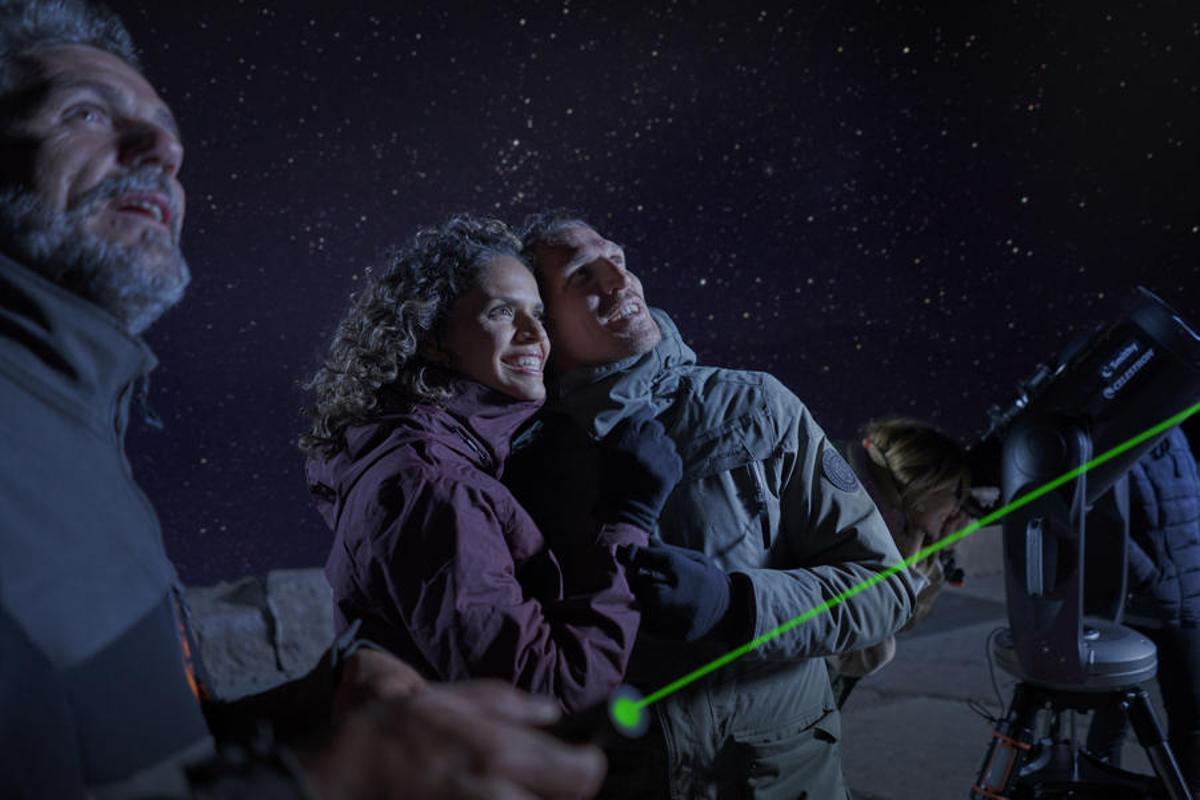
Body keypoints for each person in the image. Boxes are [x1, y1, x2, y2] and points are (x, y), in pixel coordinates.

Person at [0, 2, 604, 797]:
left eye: (167, 127)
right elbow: (551, 682)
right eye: (83, 111)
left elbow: (102, 748)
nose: (167, 149)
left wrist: (310, 710)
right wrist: (320, 782)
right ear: (432, 336)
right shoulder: (426, 471)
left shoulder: (77, 434)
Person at [505, 213, 918, 799]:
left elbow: (884, 589)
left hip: (776, 777)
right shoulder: (525, 460)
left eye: (618, 261)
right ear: (543, 321)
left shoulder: (756, 407)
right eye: (583, 277)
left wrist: (737, 603)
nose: (620, 284)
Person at [301, 215, 682, 712]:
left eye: (539, 315)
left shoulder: (425, 452)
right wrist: (626, 523)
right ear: (435, 337)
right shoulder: (432, 484)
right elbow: (551, 692)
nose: (533, 335)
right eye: (503, 312)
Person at [826, 417, 973, 708]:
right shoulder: (850, 532)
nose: (957, 510)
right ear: (929, 485)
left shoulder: (880, 522)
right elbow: (863, 654)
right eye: (956, 495)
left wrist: (927, 546)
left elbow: (907, 617)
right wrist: (907, 560)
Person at [1086, 427, 1200, 796]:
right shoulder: (1119, 434)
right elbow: (1105, 524)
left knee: (1191, 718)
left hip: (1188, 598)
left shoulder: (1177, 435)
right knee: (1112, 718)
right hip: (1139, 608)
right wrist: (1152, 579)